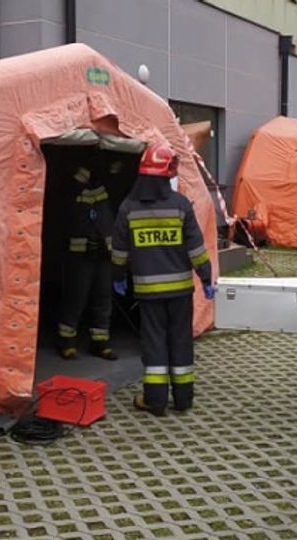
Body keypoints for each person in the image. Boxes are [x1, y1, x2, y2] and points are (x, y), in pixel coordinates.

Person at [112, 142, 215, 416]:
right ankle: (183, 399)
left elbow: (120, 250)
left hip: (149, 294)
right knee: (181, 341)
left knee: (154, 343)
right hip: (180, 292)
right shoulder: (180, 205)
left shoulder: (129, 208)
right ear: (167, 173)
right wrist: (206, 279)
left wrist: (118, 276)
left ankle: (155, 400)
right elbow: (196, 248)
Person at [57, 154, 117, 360]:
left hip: (104, 255)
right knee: (76, 298)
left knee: (103, 299)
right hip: (79, 256)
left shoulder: (105, 189)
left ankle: (100, 343)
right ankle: (66, 342)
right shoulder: (69, 190)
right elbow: (66, 208)